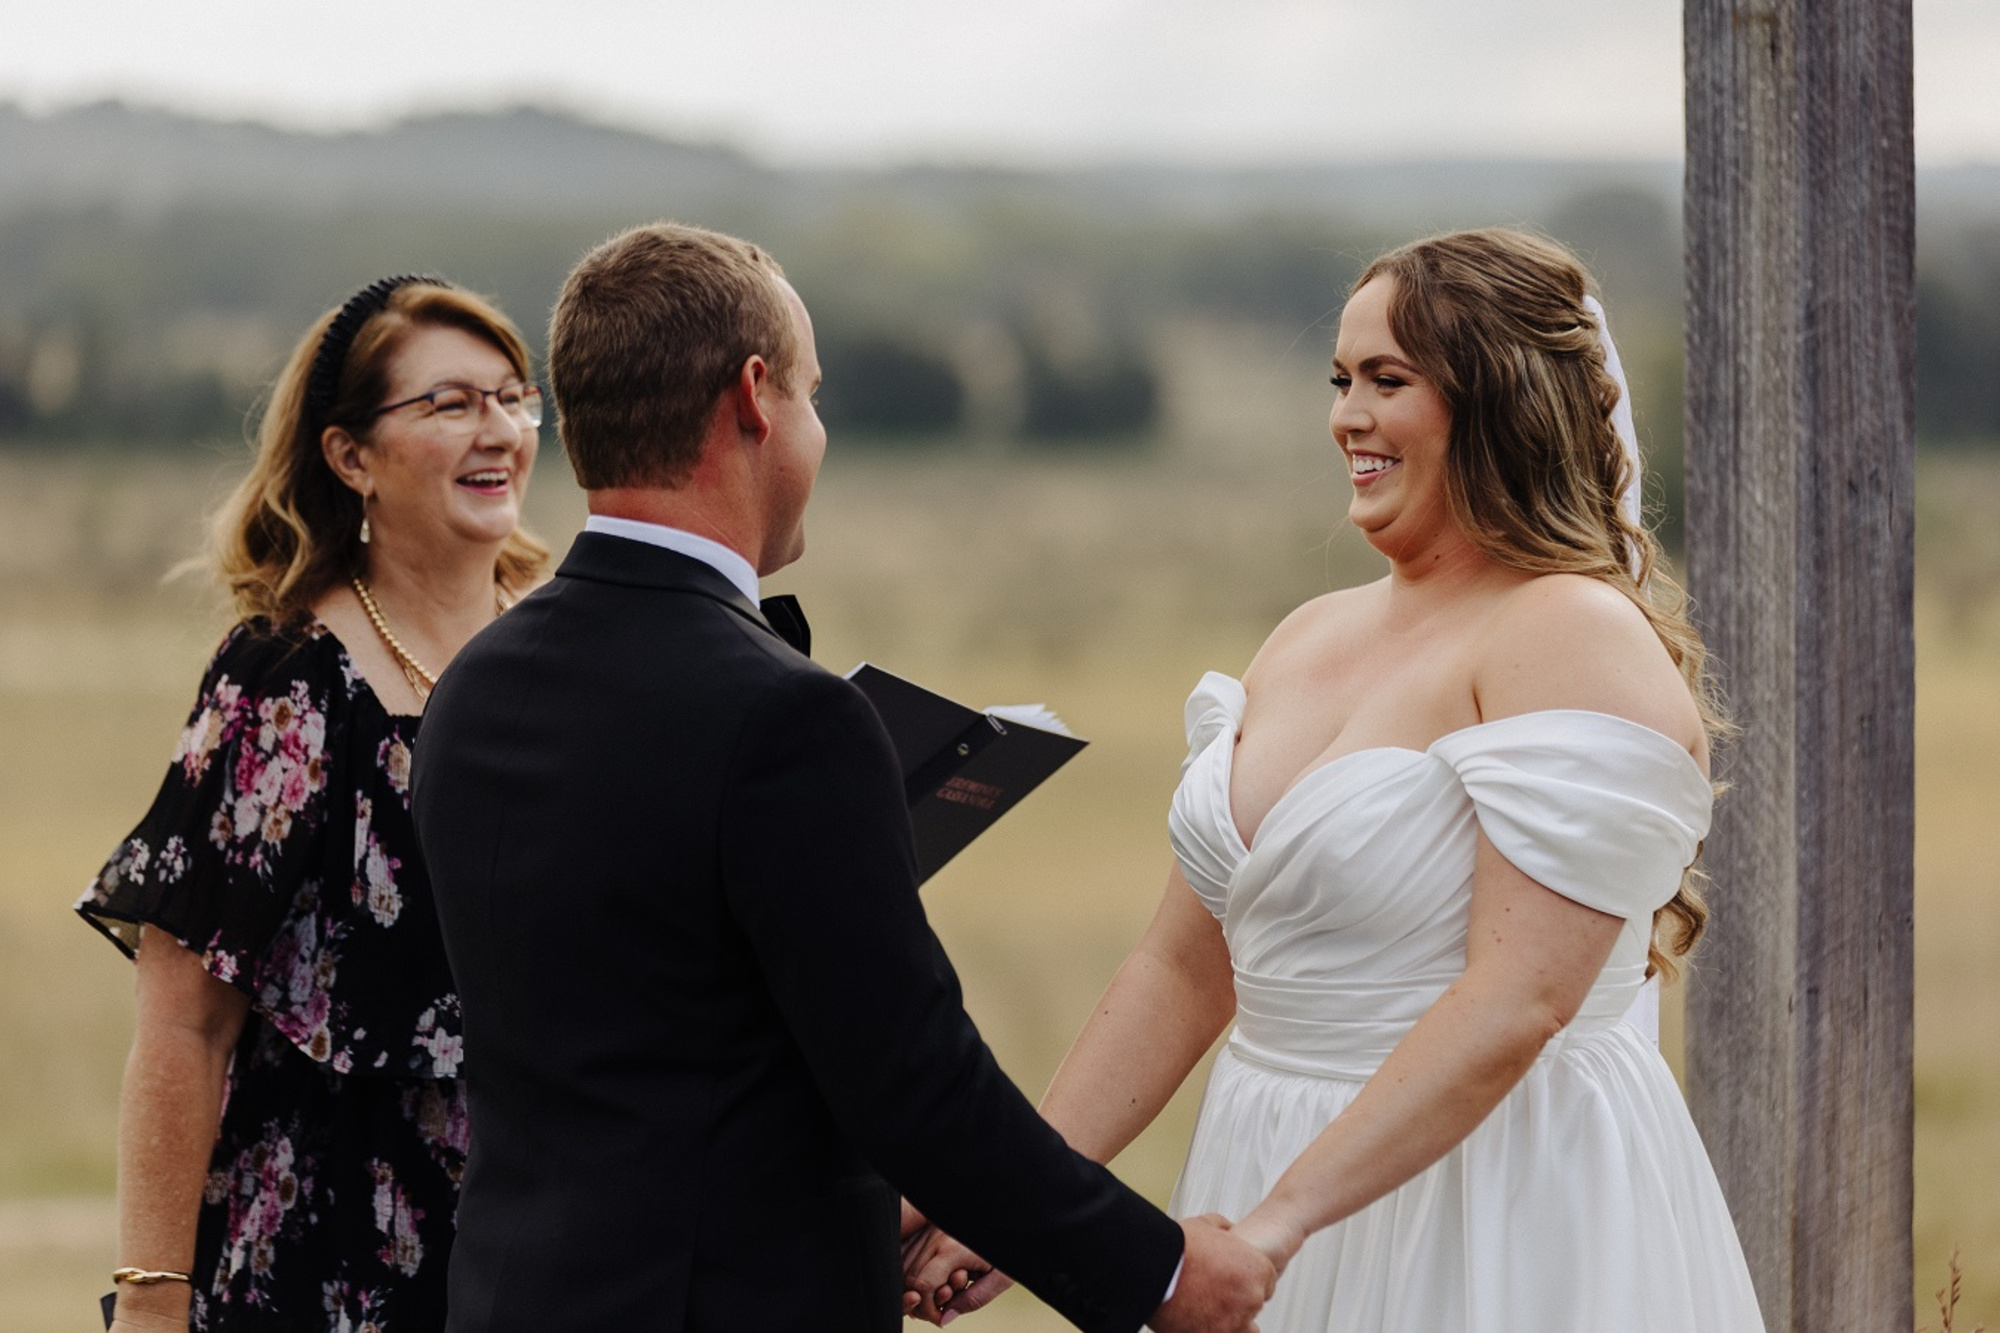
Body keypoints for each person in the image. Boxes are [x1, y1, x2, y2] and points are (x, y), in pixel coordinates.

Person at [405, 221, 1275, 1333]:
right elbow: (914, 1081)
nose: (817, 431)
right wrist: (1157, 1272)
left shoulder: (474, 682)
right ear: (754, 397)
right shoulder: (785, 715)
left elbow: (648, 1027)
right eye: (814, 397)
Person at [904, 229, 1768, 1331]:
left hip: (1488, 1197)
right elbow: (1181, 965)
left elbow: (1516, 1001)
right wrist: (1020, 1201)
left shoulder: (1564, 632)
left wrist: (1278, 1224)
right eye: (1339, 378)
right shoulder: (1303, 638)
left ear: (1494, 399)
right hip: (1257, 1164)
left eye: (1386, 380)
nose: (1345, 416)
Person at [77, 275, 546, 1331]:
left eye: (514, 397)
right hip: (318, 1265)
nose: (500, 431)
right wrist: (153, 1304)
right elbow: (184, 1023)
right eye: (450, 403)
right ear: (350, 457)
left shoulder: (569, 661)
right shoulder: (284, 681)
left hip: (548, 1258)